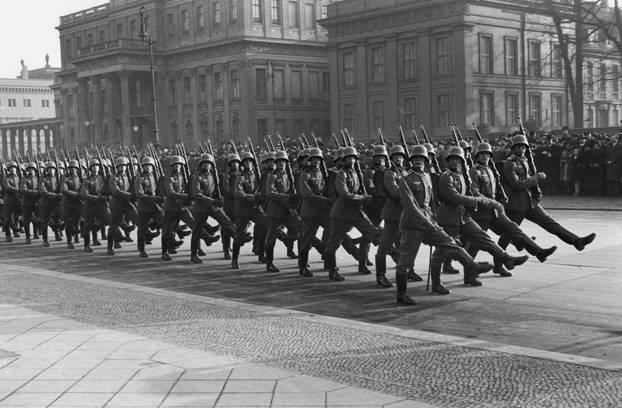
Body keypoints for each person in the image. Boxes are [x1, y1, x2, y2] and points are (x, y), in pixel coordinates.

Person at [396, 145, 493, 304]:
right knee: (406, 260)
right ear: (411, 160)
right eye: (416, 159)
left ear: (426, 161)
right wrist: (426, 222)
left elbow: (431, 201)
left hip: (429, 220)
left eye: (422, 159)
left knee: (450, 242)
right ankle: (401, 294)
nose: (419, 161)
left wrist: (433, 219)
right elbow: (410, 206)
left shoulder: (426, 176)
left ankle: (471, 265)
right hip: (412, 224)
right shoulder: (406, 179)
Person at [436, 146, 529, 287]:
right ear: (448, 161)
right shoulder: (445, 177)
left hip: (464, 216)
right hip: (449, 218)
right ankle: (436, 283)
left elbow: (471, 192)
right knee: (442, 251)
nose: (455, 162)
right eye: (452, 159)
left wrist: (483, 199)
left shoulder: (463, 175)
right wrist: (477, 200)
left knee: (482, 237)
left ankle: (506, 258)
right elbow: (455, 197)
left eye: (458, 159)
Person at [468, 142, 557, 276]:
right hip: (481, 212)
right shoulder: (474, 171)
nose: (485, 157)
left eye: (487, 154)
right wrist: (493, 202)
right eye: (482, 154)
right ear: (476, 156)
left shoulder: (492, 170)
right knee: (476, 244)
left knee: (513, 229)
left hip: (494, 210)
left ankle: (538, 251)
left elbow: (498, 187)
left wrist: (502, 197)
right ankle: (469, 273)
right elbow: (476, 193)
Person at [499, 134, 596, 253]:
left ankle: (576, 241)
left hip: (530, 202)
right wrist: (535, 178)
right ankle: (500, 260)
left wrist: (536, 190)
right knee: (508, 235)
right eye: (518, 147)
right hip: (516, 204)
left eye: (523, 146)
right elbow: (516, 185)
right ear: (513, 148)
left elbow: (528, 179)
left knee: (550, 223)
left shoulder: (526, 160)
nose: (521, 149)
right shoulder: (510, 163)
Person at [322, 146, 382, 282]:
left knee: (371, 231)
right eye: (349, 158)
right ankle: (332, 270)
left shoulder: (355, 173)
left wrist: (363, 195)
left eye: (353, 158)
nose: (352, 160)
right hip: (342, 212)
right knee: (334, 242)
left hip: (355, 211)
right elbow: (344, 194)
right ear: (343, 160)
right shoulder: (340, 174)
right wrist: (363, 198)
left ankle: (364, 261)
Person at [375, 145, 409, 288]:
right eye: (396, 156)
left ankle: (407, 270)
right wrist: (410, 194)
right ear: (392, 158)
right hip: (392, 213)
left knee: (403, 244)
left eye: (401, 156)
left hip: (404, 213)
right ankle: (380, 275)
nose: (399, 158)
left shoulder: (407, 172)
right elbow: (395, 192)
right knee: (385, 245)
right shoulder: (389, 173)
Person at [190, 153, 233, 264]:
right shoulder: (197, 177)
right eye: (205, 163)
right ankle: (193, 255)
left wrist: (219, 198)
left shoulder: (213, 175)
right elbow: (197, 194)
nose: (207, 165)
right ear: (201, 164)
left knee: (226, 221)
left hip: (212, 205)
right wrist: (213, 201)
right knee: (197, 231)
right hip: (201, 207)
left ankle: (238, 237)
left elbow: (217, 190)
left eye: (209, 163)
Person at [264, 150, 303, 272]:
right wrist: (287, 197)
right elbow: (270, 193)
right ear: (276, 163)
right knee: (271, 237)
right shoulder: (272, 176)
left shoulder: (288, 175)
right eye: (279, 162)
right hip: (275, 211)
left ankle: (299, 257)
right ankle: (269, 263)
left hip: (287, 210)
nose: (281, 164)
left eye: (284, 162)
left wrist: (293, 197)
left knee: (300, 230)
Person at [231, 152, 269, 269]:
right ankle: (235, 259)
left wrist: (261, 197)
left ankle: (261, 253)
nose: (248, 163)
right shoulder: (240, 177)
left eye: (250, 161)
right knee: (238, 235)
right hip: (243, 210)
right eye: (246, 161)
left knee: (267, 225)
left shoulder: (256, 175)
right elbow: (238, 194)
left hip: (255, 208)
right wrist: (253, 197)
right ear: (243, 164)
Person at [298, 147, 331, 277]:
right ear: (310, 160)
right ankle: (302, 266)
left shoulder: (321, 173)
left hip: (321, 211)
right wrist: (326, 200)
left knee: (331, 229)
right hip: (310, 211)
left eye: (318, 159)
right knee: (306, 239)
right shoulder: (305, 174)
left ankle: (328, 260)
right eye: (314, 159)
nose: (316, 161)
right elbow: (307, 195)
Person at [134, 156, 164, 258]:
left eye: (150, 165)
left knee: (164, 223)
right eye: (146, 165)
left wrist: (160, 197)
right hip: (144, 206)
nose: (148, 167)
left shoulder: (156, 176)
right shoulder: (140, 177)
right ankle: (141, 249)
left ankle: (168, 247)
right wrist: (152, 198)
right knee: (142, 229)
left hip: (156, 207)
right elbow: (139, 193)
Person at [107, 157, 136, 255]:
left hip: (126, 203)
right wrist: (129, 195)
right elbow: (116, 191)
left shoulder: (128, 176)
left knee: (135, 214)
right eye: (120, 166)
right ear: (117, 167)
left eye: (124, 166)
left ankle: (129, 230)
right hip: (116, 204)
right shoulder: (114, 177)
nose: (122, 168)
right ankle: (110, 247)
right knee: (113, 227)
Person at [79, 159, 110, 253]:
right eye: (93, 166)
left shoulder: (103, 178)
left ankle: (113, 240)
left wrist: (106, 197)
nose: (95, 168)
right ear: (90, 169)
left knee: (109, 220)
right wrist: (97, 198)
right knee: (88, 225)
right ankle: (86, 245)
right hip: (90, 205)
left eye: (97, 166)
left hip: (101, 205)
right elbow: (84, 194)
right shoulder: (87, 180)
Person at [38, 162, 62, 247]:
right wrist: (54, 195)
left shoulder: (57, 178)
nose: (51, 170)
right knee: (45, 221)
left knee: (58, 219)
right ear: (47, 170)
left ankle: (57, 234)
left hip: (55, 202)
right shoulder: (43, 179)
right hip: (45, 202)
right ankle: (45, 240)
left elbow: (61, 188)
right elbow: (43, 191)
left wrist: (59, 194)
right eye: (49, 169)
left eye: (53, 168)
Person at [19, 162, 39, 245]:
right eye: (29, 169)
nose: (31, 171)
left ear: (35, 170)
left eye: (32, 169)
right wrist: (35, 192)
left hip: (36, 203)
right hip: (26, 203)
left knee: (37, 219)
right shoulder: (25, 179)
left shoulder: (38, 179)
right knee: (26, 221)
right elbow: (23, 190)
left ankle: (35, 233)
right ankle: (27, 237)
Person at [2, 162, 21, 243]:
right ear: (9, 169)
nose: (13, 169)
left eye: (14, 167)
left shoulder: (18, 177)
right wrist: (17, 190)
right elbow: (7, 187)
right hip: (9, 200)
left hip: (17, 199)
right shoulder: (6, 177)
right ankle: (8, 235)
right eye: (11, 168)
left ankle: (16, 229)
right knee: (7, 218)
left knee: (18, 215)